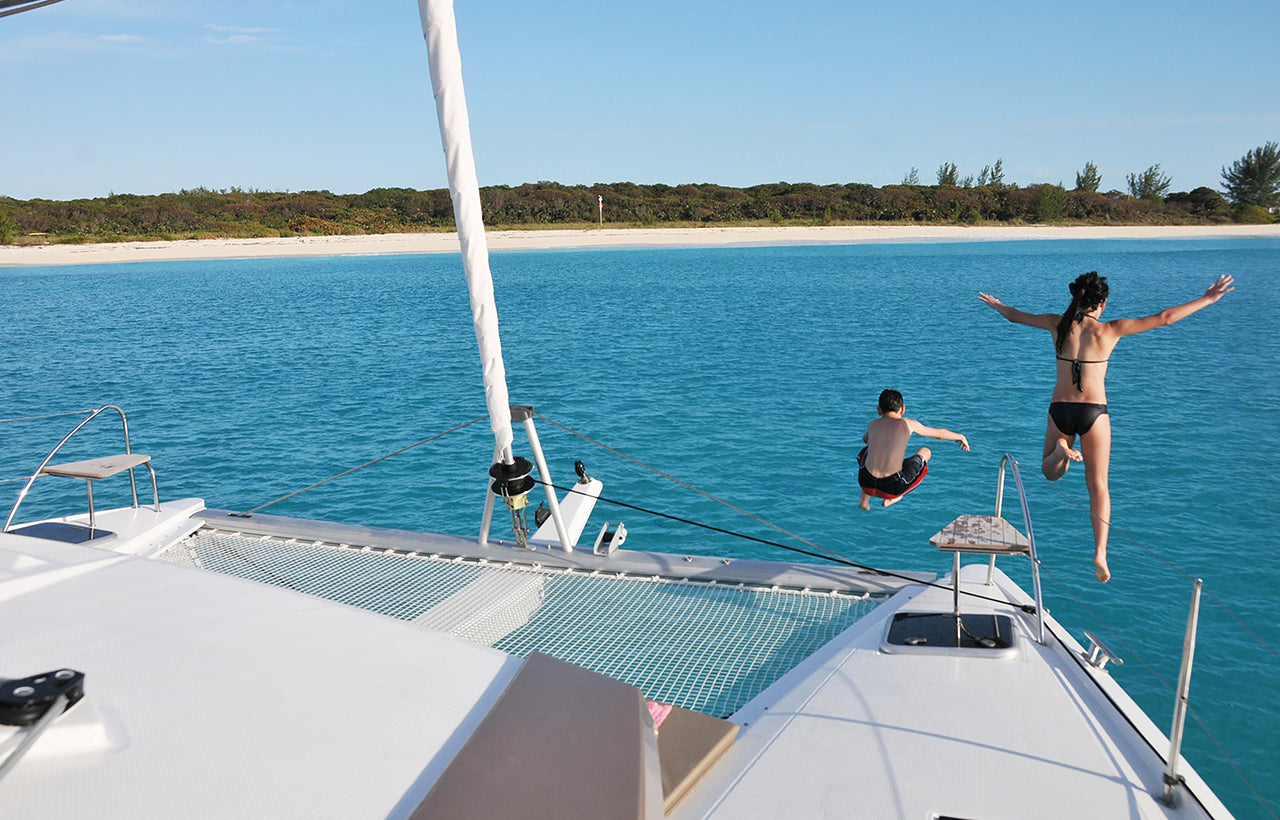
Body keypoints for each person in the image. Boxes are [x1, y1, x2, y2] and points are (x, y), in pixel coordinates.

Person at [978, 272, 1234, 583]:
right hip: (1094, 413)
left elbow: (1016, 317)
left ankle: (1061, 449)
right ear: (1102, 303)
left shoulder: (1057, 324)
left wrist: (998, 305)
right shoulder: (1110, 330)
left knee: (1050, 472)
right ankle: (1100, 551)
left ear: (1076, 299)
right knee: (1099, 486)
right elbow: (1164, 318)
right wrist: (1208, 298)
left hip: (1061, 408)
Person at [858, 389, 970, 510]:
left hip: (866, 482)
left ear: (879, 410)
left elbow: (865, 440)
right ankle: (894, 498)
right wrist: (960, 436)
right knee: (926, 451)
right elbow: (939, 434)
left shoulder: (873, 424)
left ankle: (864, 501)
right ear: (902, 409)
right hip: (892, 489)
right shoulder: (908, 424)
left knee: (867, 450)